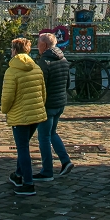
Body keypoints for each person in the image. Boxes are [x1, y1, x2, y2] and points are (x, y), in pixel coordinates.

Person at [1, 37, 47, 196]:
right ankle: (18, 174)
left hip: (19, 114)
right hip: (36, 113)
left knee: (23, 149)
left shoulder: (12, 71)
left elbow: (7, 97)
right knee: (24, 145)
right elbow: (43, 92)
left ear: (14, 50)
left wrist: (5, 110)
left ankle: (28, 183)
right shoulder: (36, 68)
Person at [34, 32, 73, 181]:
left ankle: (47, 171)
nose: (37, 46)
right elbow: (68, 83)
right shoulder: (63, 59)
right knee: (52, 133)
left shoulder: (45, 62)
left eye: (38, 43)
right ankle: (65, 161)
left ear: (44, 45)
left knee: (43, 137)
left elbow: (41, 85)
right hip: (60, 102)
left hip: (48, 104)